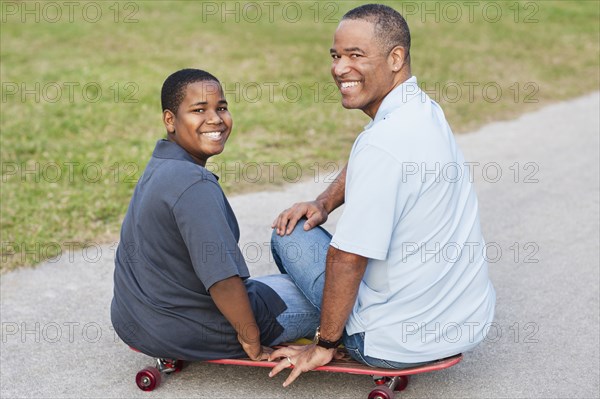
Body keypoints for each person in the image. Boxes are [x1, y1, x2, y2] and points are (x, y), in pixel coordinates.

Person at [268, 4, 496, 386]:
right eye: (336, 56)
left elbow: (348, 258)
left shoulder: (382, 144)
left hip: (390, 343)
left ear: (395, 58)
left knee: (289, 235)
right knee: (310, 227)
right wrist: (324, 203)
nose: (340, 68)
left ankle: (332, 331)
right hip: (464, 324)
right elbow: (370, 162)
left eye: (356, 55)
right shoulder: (424, 110)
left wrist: (324, 344)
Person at [110, 69, 319, 362]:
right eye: (199, 110)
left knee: (287, 284)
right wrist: (252, 341)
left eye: (221, 108)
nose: (216, 119)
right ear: (170, 120)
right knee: (332, 299)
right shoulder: (194, 184)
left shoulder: (161, 163)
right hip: (192, 329)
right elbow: (223, 280)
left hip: (137, 321)